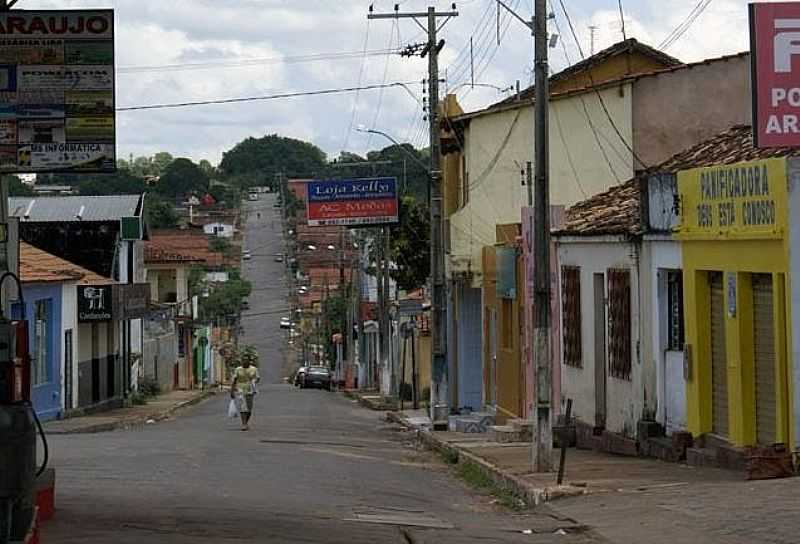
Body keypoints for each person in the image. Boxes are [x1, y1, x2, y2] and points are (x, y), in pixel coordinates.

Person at [230, 355, 260, 431]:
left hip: (250, 390)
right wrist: (232, 391)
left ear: (249, 361)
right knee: (243, 407)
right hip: (240, 389)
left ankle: (246, 422)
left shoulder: (254, 369)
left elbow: (258, 378)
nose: (245, 362)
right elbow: (234, 380)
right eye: (243, 360)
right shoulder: (238, 369)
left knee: (249, 409)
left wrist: (254, 381)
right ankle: (243, 424)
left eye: (246, 360)